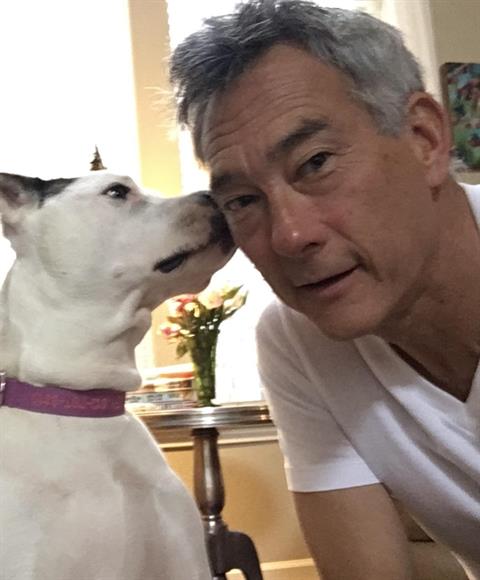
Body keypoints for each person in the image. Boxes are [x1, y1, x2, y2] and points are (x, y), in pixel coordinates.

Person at [169, 1, 480, 578]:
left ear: (425, 138)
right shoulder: (299, 342)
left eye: (315, 164)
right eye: (242, 200)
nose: (289, 236)